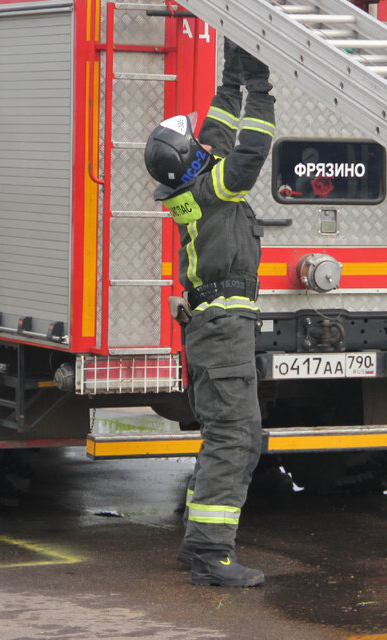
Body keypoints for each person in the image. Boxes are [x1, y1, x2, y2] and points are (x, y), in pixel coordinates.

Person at [144, 39, 276, 588]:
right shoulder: (213, 189)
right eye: (194, 142)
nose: (204, 142)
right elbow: (250, 151)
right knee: (233, 438)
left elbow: (220, 133)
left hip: (220, 328)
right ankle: (210, 556)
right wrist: (263, 93)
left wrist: (233, 72)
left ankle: (201, 542)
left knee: (241, 435)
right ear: (189, 159)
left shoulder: (196, 183)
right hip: (222, 330)